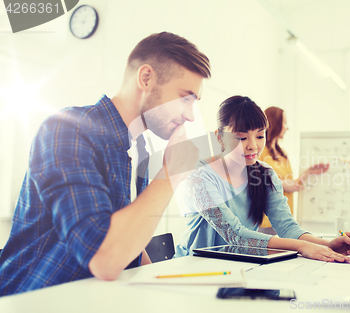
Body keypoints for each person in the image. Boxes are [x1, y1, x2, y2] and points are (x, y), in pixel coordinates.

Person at [0, 32, 211, 296]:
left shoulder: (140, 149)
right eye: (185, 98)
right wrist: (170, 173)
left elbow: (127, 243)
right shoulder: (68, 130)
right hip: (33, 299)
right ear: (146, 78)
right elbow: (104, 259)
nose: (190, 116)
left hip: (94, 300)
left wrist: (162, 284)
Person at [174, 96, 350, 261]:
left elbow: (287, 227)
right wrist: (302, 247)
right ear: (220, 137)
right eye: (241, 138)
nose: (253, 146)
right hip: (193, 268)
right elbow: (235, 235)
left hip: (239, 267)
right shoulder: (199, 175)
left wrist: (326, 244)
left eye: (260, 136)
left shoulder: (265, 174)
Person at [258, 106, 329, 234]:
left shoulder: (283, 154)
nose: (287, 127)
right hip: (265, 219)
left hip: (284, 219)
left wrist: (309, 172)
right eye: (284, 122)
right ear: (274, 123)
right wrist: (281, 184)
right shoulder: (260, 152)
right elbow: (255, 181)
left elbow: (291, 184)